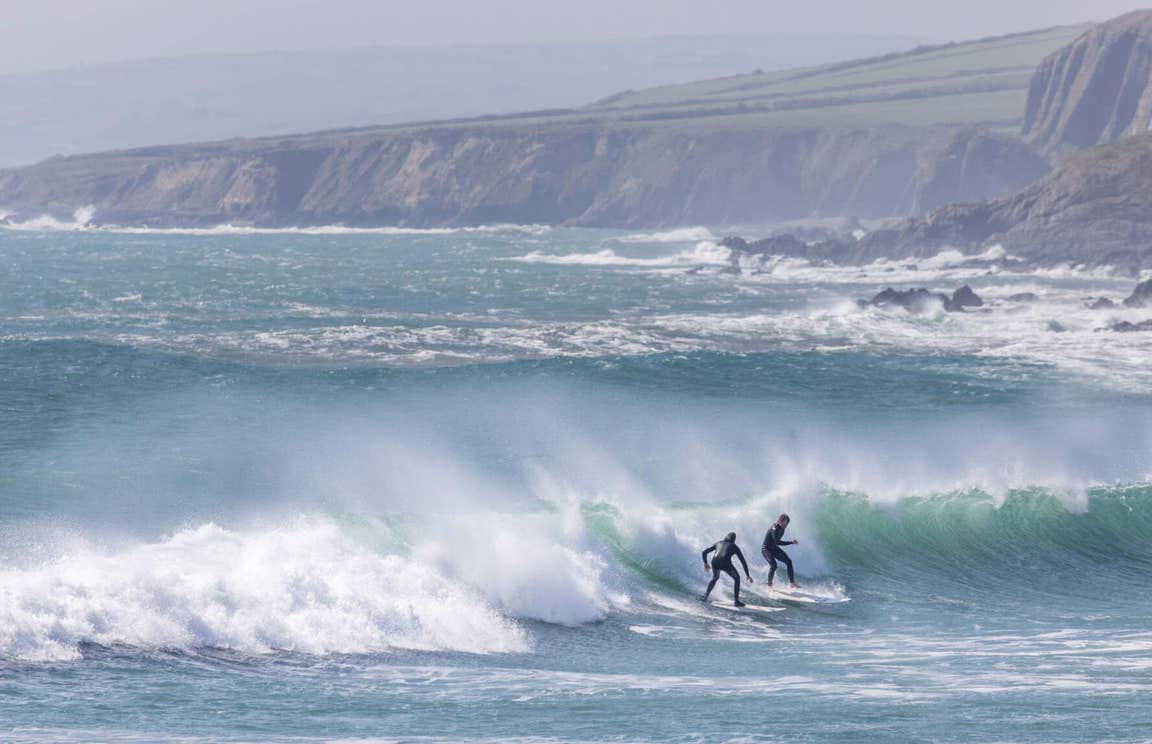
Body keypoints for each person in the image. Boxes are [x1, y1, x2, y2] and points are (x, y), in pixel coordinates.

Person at [701, 532, 753, 606]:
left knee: (715, 578)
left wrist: (705, 563)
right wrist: (747, 575)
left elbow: (704, 552)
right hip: (725, 563)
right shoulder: (734, 546)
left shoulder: (718, 543)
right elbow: (743, 561)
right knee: (737, 578)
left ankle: (705, 597)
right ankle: (736, 601)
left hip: (714, 562)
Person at [762, 513, 800, 588]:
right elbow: (777, 542)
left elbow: (776, 543)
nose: (785, 526)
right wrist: (791, 542)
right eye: (785, 523)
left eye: (787, 524)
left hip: (774, 548)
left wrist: (791, 542)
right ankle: (769, 585)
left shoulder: (782, 529)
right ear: (780, 521)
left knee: (789, 561)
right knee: (774, 565)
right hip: (766, 549)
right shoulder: (774, 528)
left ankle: (792, 583)